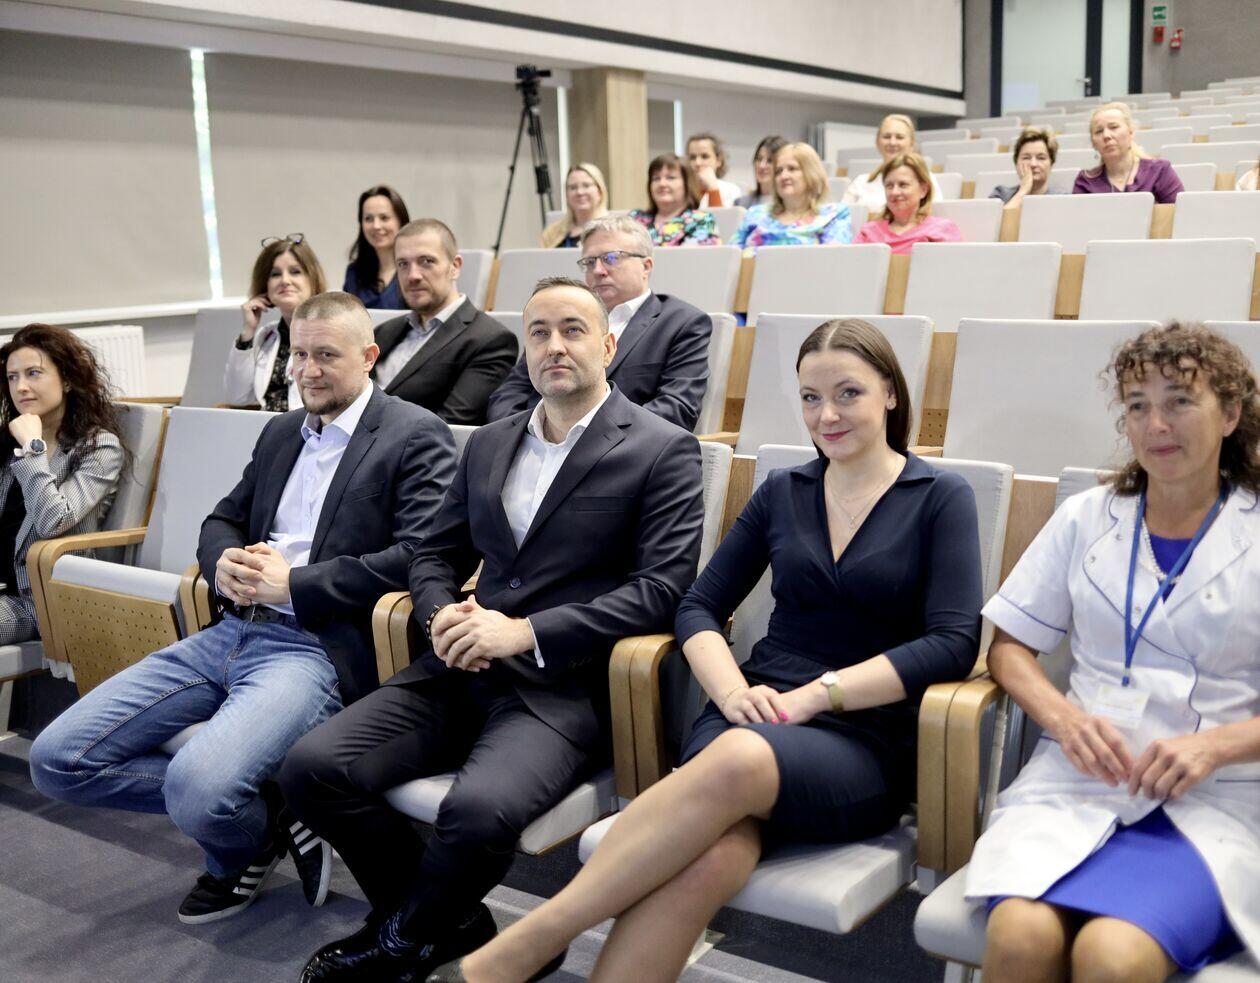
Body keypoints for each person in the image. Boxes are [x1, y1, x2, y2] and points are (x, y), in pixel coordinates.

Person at [429, 317, 984, 983]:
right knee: (709, 860)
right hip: (748, 712)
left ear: (890, 393)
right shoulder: (785, 490)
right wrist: (730, 691)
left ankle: (531, 941)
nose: (827, 415)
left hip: (860, 733)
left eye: (848, 394)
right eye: (811, 398)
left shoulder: (938, 497)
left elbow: (953, 644)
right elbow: (695, 605)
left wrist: (818, 696)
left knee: (740, 758)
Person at [280, 276, 705, 982]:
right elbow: (434, 553)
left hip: (561, 684)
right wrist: (439, 612)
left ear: (608, 345)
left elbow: (660, 591)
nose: (554, 345)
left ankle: (401, 941)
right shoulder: (489, 441)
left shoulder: (662, 448)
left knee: (476, 811)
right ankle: (446, 923)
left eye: (572, 330)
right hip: (460, 664)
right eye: (538, 332)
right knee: (310, 768)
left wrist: (526, 632)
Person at [30, 292, 458, 926]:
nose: (308, 370)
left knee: (197, 789)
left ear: (370, 357)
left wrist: (297, 585)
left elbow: (422, 555)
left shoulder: (413, 434)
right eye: (300, 355)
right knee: (57, 762)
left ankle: (238, 849)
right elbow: (222, 519)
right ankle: (268, 812)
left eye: (326, 356)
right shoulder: (283, 431)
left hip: (315, 648)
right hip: (230, 630)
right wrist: (222, 561)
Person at [968, 321, 1260, 981]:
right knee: (1018, 937)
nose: (1156, 424)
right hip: (1080, 779)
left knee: (1112, 955)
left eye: (1180, 401)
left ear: (1230, 414)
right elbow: (1009, 647)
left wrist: (1215, 747)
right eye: (1137, 405)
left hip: (1214, 797)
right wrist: (1064, 718)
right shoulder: (1088, 516)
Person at [488, 214, 712, 431]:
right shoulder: (557, 320)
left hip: (623, 448)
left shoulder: (682, 323)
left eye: (611, 258)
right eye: (589, 262)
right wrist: (525, 434)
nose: (598, 270)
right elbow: (508, 394)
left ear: (646, 266)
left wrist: (582, 435)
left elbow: (676, 408)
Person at [0, 324, 125, 645]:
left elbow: (53, 520)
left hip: (41, 598)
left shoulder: (98, 447)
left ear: (67, 379)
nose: (21, 387)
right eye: (12, 377)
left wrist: (33, 448)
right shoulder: (7, 440)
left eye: (33, 373)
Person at [372, 218, 518, 425]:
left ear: (455, 267)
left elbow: (448, 426)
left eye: (426, 261)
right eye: (403, 264)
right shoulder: (384, 331)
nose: (412, 275)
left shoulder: (490, 340)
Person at [225, 235, 327, 411]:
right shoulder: (266, 336)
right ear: (265, 285)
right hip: (266, 425)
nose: (285, 281)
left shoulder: (330, 333)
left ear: (313, 280)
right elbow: (237, 397)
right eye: (275, 274)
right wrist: (248, 331)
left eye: (295, 272)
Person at [731, 142, 852, 250]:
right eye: (778, 171)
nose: (783, 176)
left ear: (811, 173)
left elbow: (835, 262)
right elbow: (731, 257)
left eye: (792, 169)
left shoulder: (834, 215)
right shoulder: (755, 214)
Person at [1073, 102, 1184, 203]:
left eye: (1113, 127)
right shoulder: (1085, 181)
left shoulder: (1160, 171)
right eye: (1099, 131)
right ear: (1093, 143)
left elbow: (1180, 214)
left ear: (1130, 132)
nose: (1106, 135)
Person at [854, 153, 962, 254]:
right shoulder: (868, 232)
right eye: (889, 186)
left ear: (923, 190)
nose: (894, 192)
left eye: (903, 185)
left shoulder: (942, 230)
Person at [842, 114, 944, 212]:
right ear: (877, 142)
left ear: (912, 143)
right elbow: (840, 218)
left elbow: (935, 217)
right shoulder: (861, 182)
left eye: (899, 137)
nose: (892, 142)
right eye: (886, 136)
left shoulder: (925, 179)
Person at [628, 154, 719, 246]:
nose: (662, 184)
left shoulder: (701, 221)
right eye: (656, 178)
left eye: (670, 177)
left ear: (687, 184)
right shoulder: (635, 219)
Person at [343, 185, 410, 309]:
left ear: (400, 221)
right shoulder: (354, 274)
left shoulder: (415, 270)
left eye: (384, 218)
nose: (376, 226)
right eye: (368, 219)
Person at [989, 127, 1063, 208]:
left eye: (1041, 158)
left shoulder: (1063, 199)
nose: (1033, 164)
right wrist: (1023, 191)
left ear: (1051, 163)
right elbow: (996, 217)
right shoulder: (1001, 194)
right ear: (1016, 163)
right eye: (1026, 158)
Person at [540, 163, 609, 248]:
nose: (579, 192)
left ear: (600, 191)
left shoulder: (612, 230)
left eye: (586, 186)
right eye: (573, 187)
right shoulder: (552, 233)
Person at [687, 132, 743, 208]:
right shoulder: (680, 190)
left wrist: (713, 189)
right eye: (692, 157)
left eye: (704, 156)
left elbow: (720, 216)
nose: (697, 163)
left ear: (718, 161)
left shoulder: (731, 191)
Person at [735, 135, 787, 208]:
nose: (762, 166)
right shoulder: (741, 203)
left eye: (769, 161)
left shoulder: (790, 203)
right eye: (759, 159)